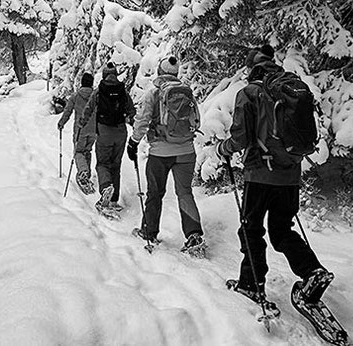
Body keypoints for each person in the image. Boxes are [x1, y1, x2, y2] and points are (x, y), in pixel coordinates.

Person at [215, 45, 331, 303]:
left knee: (251, 229)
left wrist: (223, 148)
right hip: (289, 174)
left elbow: (241, 137)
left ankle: (251, 284)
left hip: (259, 174)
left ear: (250, 68)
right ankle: (313, 271)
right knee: (281, 230)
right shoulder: (290, 88)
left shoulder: (249, 93)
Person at [127, 55, 206, 255]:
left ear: (160, 72)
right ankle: (194, 235)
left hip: (160, 153)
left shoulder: (153, 93)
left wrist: (133, 142)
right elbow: (196, 120)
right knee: (185, 193)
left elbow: (142, 120)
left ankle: (149, 232)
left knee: (155, 193)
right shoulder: (186, 92)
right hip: (187, 152)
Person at [84, 63, 136, 214]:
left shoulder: (99, 91)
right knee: (116, 165)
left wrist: (82, 122)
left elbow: (88, 108)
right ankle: (113, 199)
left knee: (102, 164)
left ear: (105, 75)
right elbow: (131, 110)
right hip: (121, 132)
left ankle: (106, 186)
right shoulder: (123, 91)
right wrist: (134, 125)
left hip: (104, 132)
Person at [57, 73, 97, 194]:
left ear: (82, 83)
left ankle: (83, 172)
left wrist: (61, 123)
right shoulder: (96, 96)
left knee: (78, 151)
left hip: (80, 130)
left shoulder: (76, 96)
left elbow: (67, 111)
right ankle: (87, 174)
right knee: (87, 151)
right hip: (93, 130)